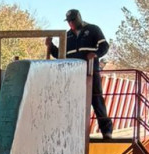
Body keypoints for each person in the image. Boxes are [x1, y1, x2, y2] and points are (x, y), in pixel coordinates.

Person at [47, 8, 115, 139]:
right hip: (73, 74)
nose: (71, 23)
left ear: (79, 17)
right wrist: (51, 47)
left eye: (73, 20)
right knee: (75, 101)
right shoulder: (67, 36)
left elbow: (104, 46)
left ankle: (107, 132)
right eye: (69, 21)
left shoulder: (93, 29)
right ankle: (76, 132)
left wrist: (95, 55)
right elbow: (60, 55)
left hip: (91, 71)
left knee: (97, 99)